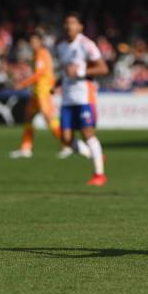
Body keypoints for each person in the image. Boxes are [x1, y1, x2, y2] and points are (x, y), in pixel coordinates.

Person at [56, 12, 109, 186]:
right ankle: (95, 155)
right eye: (66, 23)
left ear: (80, 27)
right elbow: (65, 71)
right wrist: (55, 83)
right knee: (65, 139)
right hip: (67, 98)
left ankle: (99, 175)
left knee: (87, 133)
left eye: (73, 23)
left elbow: (103, 68)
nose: (69, 26)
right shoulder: (60, 46)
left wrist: (79, 73)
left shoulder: (86, 44)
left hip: (84, 96)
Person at [9, 32, 63, 158]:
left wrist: (22, 84)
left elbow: (39, 74)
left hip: (43, 92)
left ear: (40, 42)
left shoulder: (41, 54)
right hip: (37, 92)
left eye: (35, 41)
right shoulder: (37, 54)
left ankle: (66, 144)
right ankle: (26, 148)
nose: (32, 44)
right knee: (29, 117)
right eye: (31, 42)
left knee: (49, 118)